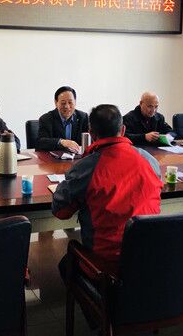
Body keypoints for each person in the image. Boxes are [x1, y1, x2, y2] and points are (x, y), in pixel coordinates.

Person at [52, 104, 163, 265]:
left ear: (91, 133)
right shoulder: (150, 161)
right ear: (123, 130)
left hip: (106, 264)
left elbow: (61, 211)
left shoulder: (86, 167)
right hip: (151, 256)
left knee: (65, 264)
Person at [36, 86, 89, 152]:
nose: (67, 106)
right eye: (63, 103)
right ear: (56, 103)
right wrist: (61, 142)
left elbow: (91, 140)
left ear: (75, 102)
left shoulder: (83, 117)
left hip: (78, 157)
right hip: (54, 157)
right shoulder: (46, 119)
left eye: (70, 102)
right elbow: (40, 143)